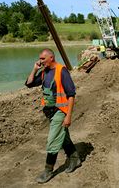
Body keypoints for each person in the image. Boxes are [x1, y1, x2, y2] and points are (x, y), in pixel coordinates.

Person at [25, 48, 81, 183]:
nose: (40, 61)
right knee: (63, 137)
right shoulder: (45, 72)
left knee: (53, 140)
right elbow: (29, 83)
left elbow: (71, 95)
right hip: (50, 112)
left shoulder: (62, 71)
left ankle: (48, 170)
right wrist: (35, 69)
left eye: (43, 59)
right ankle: (75, 159)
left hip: (60, 111)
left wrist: (68, 116)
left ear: (51, 58)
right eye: (40, 59)